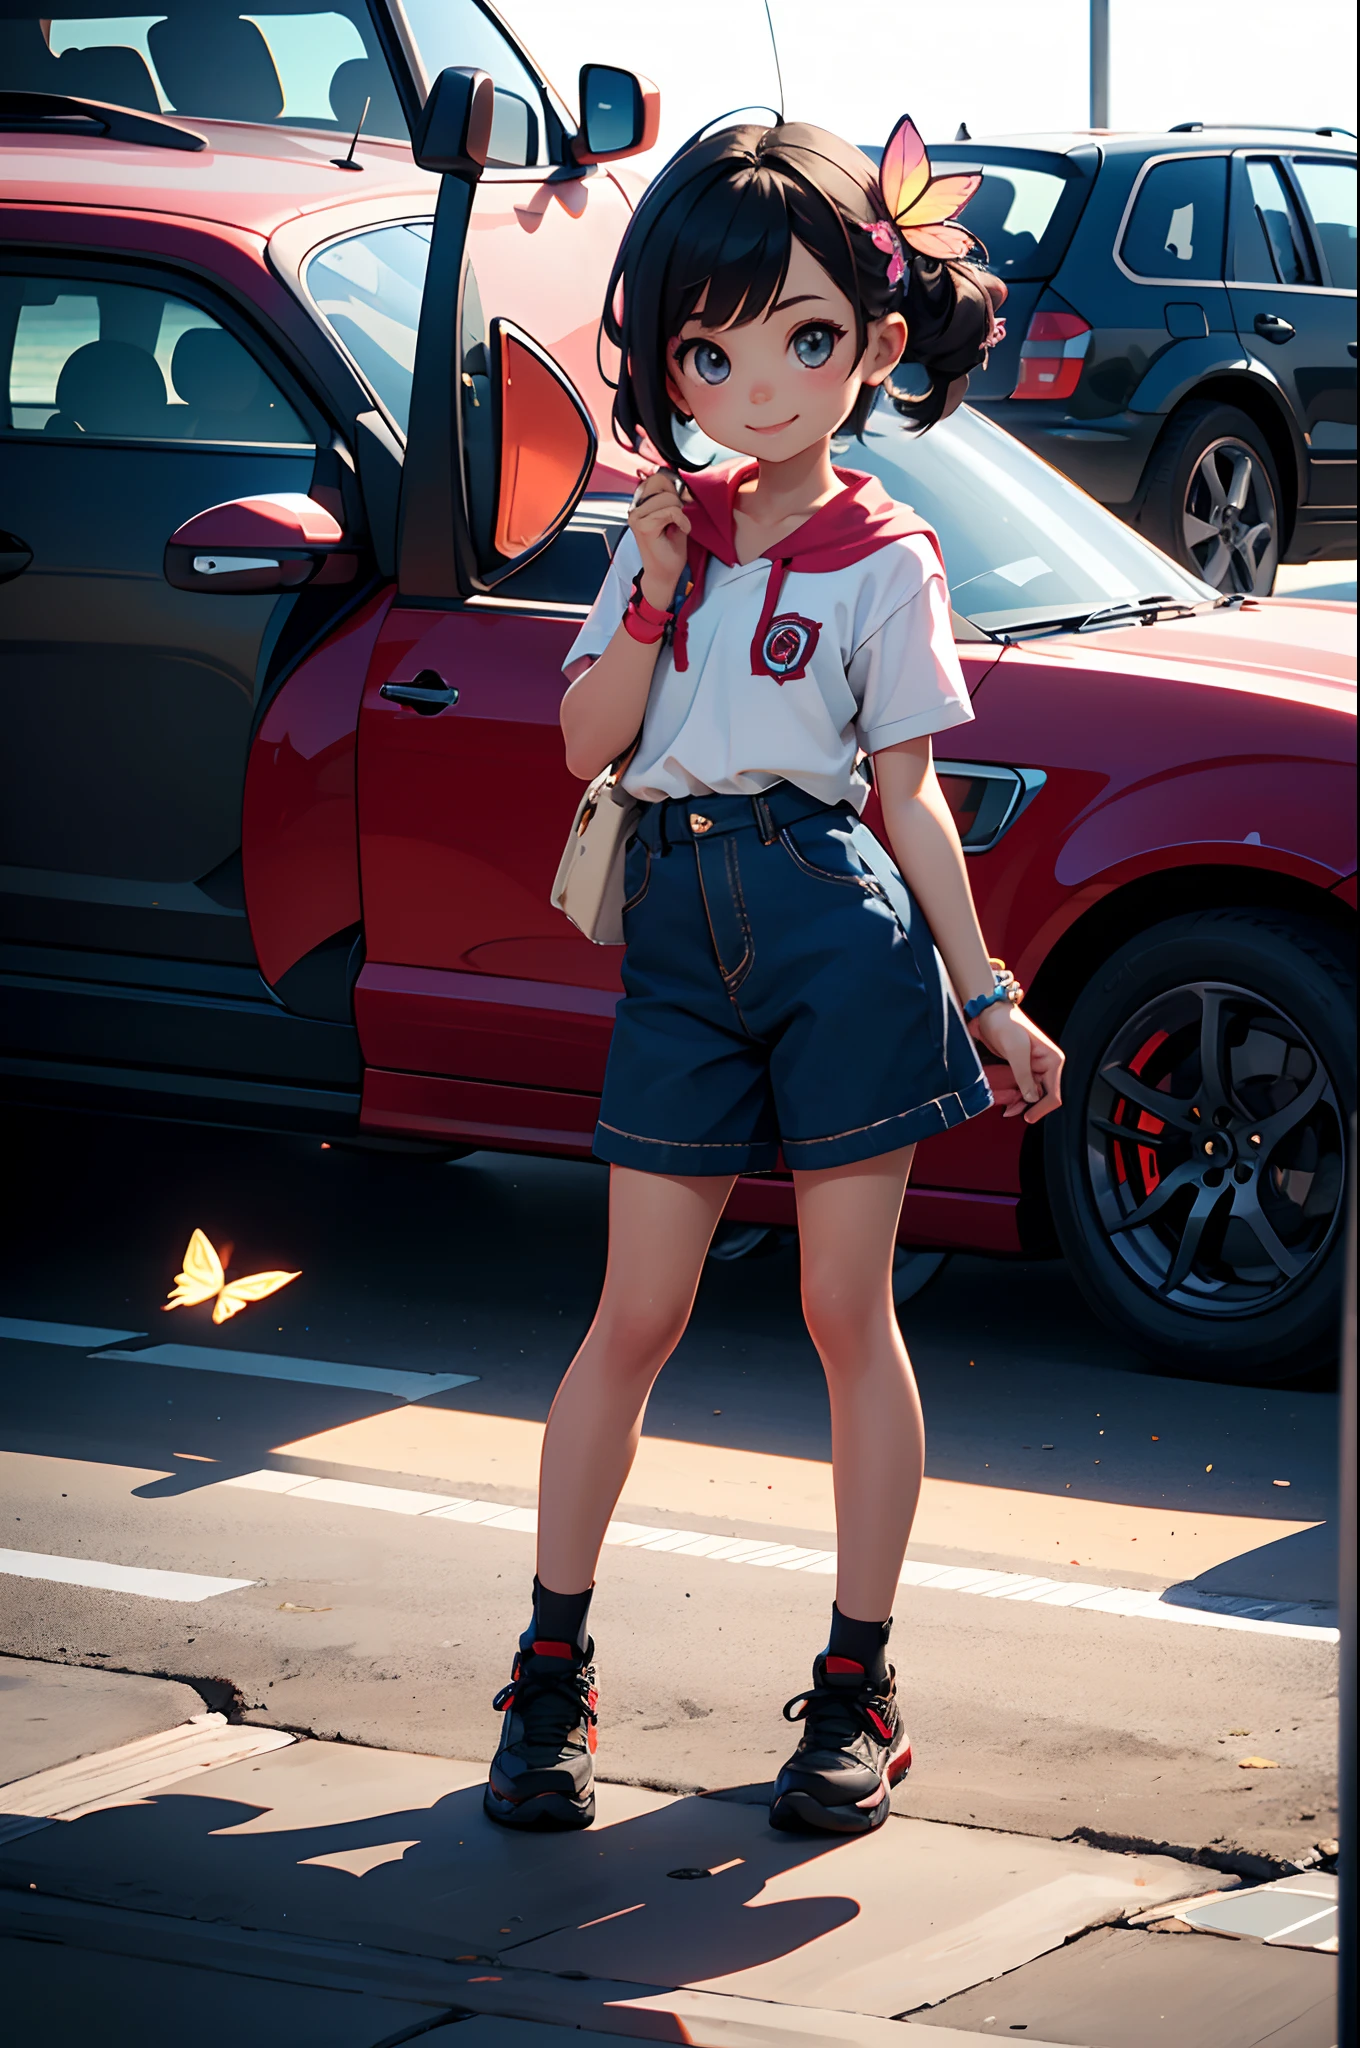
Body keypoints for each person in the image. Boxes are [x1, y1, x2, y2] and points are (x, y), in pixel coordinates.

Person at [485, 116, 1064, 1838]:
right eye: (713, 348)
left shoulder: (888, 559)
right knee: (635, 1317)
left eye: (806, 338)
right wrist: (658, 588)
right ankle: (550, 1673)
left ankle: (858, 1686)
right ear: (671, 360)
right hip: (683, 922)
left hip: (838, 923)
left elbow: (912, 799)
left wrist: (988, 993)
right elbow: (588, 737)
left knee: (840, 1314)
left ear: (875, 346)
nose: (760, 380)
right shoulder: (662, 535)